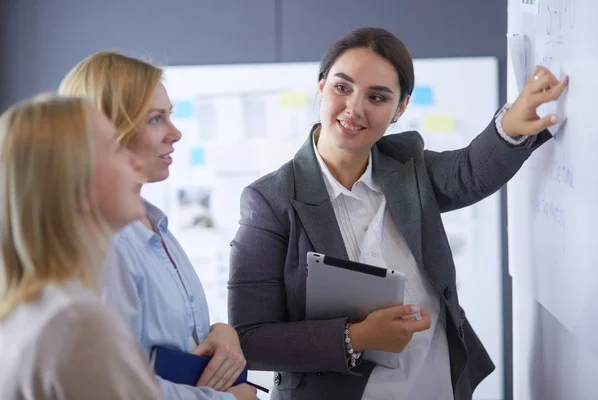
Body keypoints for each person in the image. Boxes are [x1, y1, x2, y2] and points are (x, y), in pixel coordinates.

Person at [228, 27, 568, 400]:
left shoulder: (407, 168)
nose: (355, 108)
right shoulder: (270, 200)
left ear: (400, 108)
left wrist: (509, 127)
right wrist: (356, 337)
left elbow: (469, 173)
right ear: (321, 86)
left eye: (377, 97)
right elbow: (250, 338)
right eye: (343, 87)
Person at [59, 51, 257, 400]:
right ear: (108, 129)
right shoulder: (104, 244)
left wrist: (220, 332)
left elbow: (161, 346)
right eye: (155, 119)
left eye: (170, 116)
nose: (175, 133)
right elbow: (108, 387)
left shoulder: (155, 227)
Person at [0, 94, 162, 399]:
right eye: (116, 149)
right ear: (78, 185)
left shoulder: (32, 311)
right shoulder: (78, 326)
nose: (136, 161)